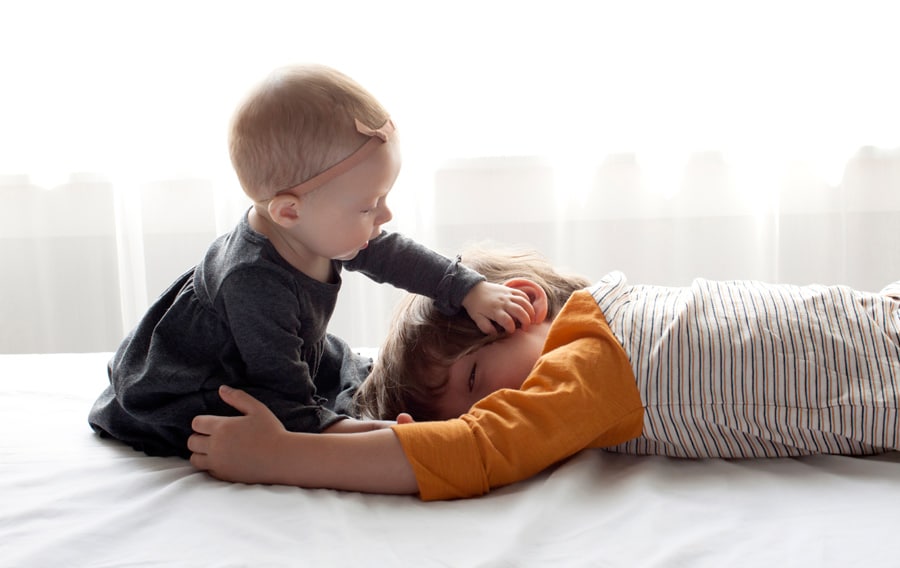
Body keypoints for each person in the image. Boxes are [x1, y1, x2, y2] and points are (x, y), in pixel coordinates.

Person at [187, 245, 900, 500]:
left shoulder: (591, 367)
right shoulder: (613, 315)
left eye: (474, 383)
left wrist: (282, 454)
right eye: (468, 407)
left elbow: (470, 455)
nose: (492, 409)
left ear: (521, 309)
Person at [89, 66, 535, 459]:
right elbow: (281, 392)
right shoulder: (253, 283)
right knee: (246, 423)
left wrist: (467, 287)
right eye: (369, 205)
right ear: (288, 210)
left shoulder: (310, 226)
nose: (385, 216)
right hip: (204, 377)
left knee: (338, 364)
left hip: (273, 353)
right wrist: (355, 436)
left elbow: (394, 255)